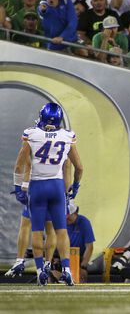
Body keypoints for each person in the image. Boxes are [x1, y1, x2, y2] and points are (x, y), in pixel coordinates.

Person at [14, 103, 83, 286]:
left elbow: (20, 165)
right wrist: (75, 185)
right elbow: (79, 167)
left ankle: (39, 272)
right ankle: (67, 271)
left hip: (37, 186)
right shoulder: (68, 135)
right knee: (60, 231)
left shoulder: (32, 133)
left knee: (37, 230)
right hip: (56, 186)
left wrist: (18, 186)